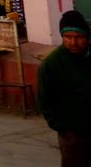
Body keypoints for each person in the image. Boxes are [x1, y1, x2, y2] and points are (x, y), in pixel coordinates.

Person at [37, 9, 91, 166]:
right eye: (68, 37)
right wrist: (62, 126)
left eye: (79, 37)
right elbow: (44, 100)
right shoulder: (51, 64)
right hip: (73, 134)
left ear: (87, 37)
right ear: (62, 37)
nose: (73, 42)